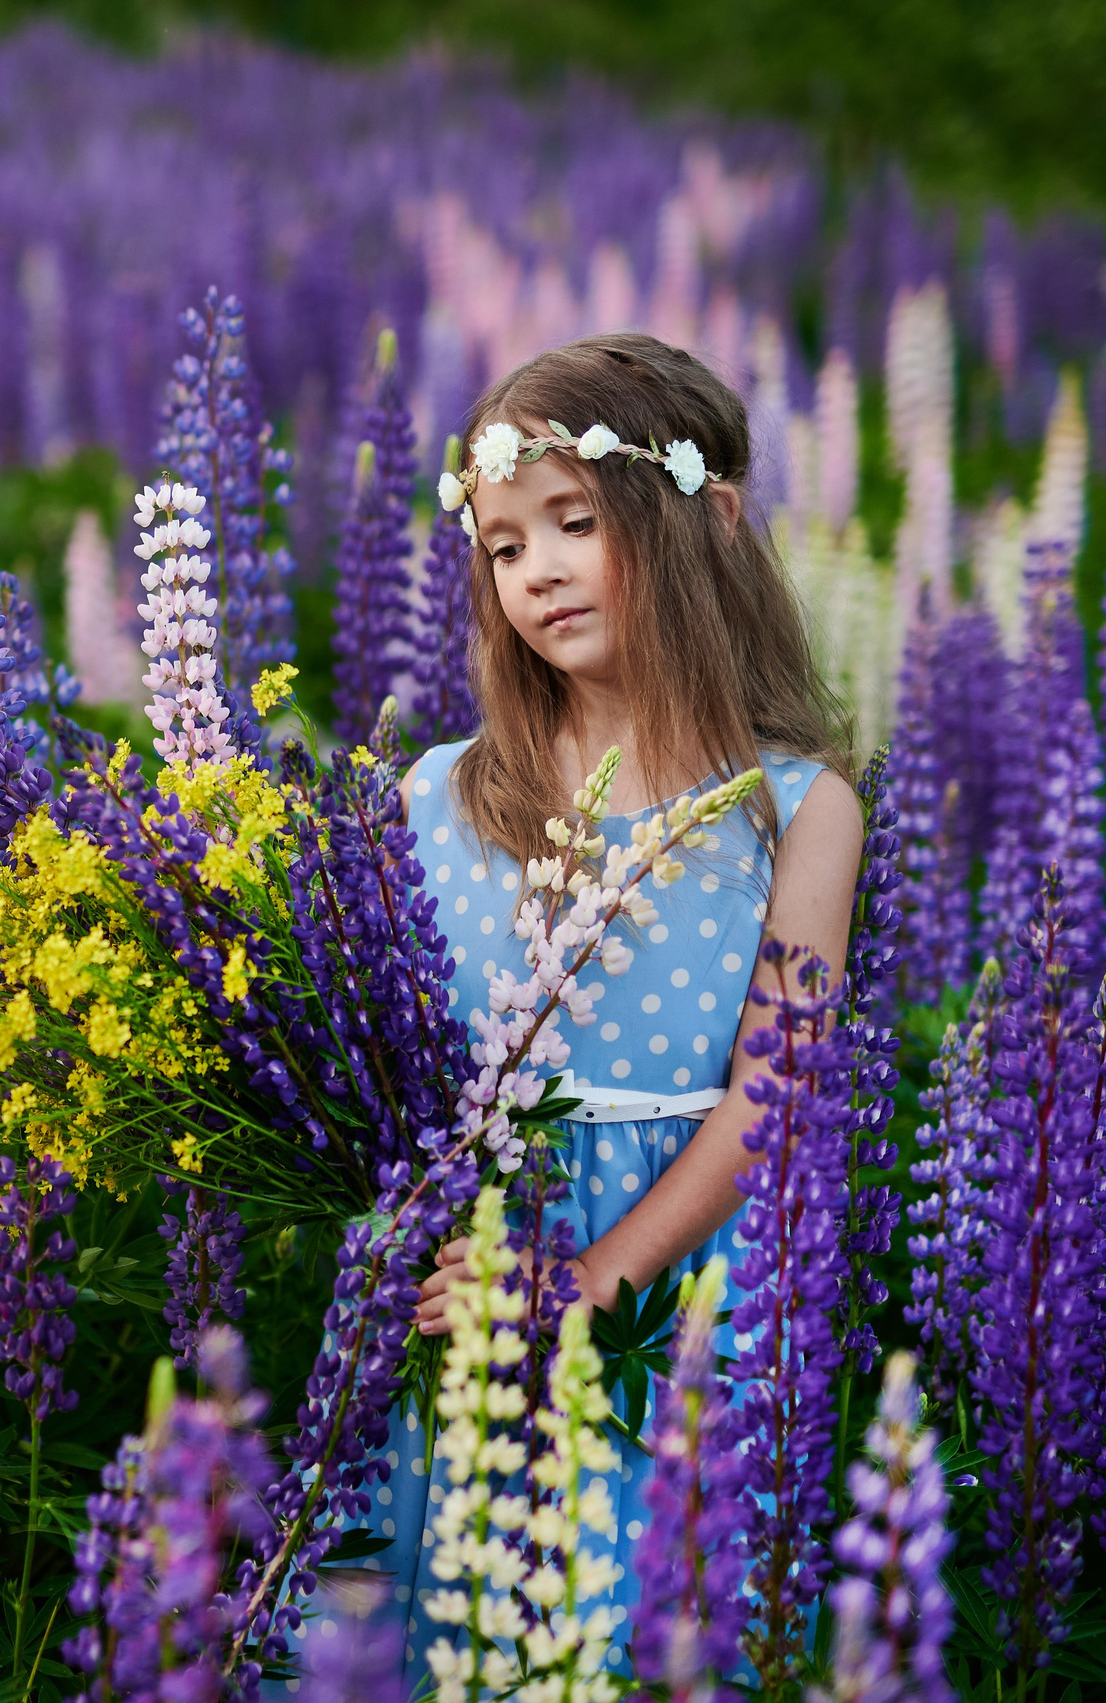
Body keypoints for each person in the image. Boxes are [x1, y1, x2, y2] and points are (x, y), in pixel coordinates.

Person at [293, 332, 862, 1683]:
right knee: (452, 1637)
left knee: (639, 1642)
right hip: (474, 1297)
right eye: (503, 545)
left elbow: (774, 1092)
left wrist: (594, 1278)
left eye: (575, 523)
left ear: (709, 524)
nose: (536, 569)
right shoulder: (438, 794)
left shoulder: (796, 808)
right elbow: (392, 1070)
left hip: (677, 1303)